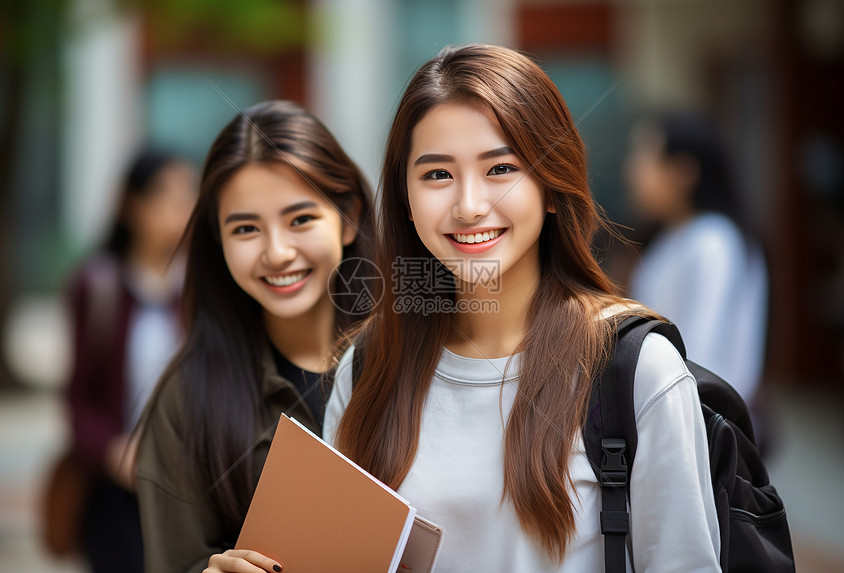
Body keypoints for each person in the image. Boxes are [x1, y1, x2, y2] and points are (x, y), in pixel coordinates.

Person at [324, 44, 721, 571]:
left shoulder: (635, 372)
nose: (468, 206)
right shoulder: (366, 368)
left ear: (552, 188)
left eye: (501, 168)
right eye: (437, 175)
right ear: (407, 202)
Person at [134, 100, 376, 573]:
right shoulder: (186, 400)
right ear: (218, 241)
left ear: (348, 215)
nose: (278, 252)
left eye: (300, 219)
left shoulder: (423, 358)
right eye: (246, 228)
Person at [66, 149, 197, 573]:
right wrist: (111, 451)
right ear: (130, 204)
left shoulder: (204, 286)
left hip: (190, 483)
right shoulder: (98, 286)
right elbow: (79, 393)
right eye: (165, 194)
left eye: (188, 194)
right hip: (118, 487)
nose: (180, 207)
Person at [625, 113, 769, 407]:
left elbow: (701, 348)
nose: (632, 171)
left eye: (645, 158)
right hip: (671, 402)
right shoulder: (676, 235)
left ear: (683, 171)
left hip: (699, 411)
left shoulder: (713, 241)